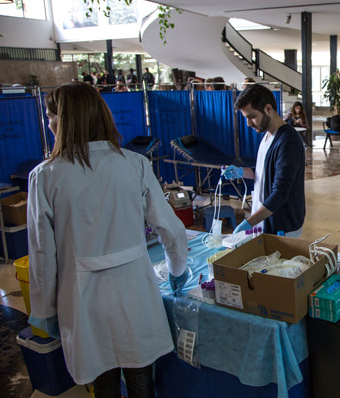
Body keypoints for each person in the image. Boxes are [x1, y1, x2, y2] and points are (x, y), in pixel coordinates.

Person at [27, 82, 188, 397]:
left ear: (65, 120)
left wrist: (44, 311)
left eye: (50, 116)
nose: (49, 124)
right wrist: (177, 270)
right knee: (141, 379)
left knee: (103, 382)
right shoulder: (134, 164)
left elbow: (43, 255)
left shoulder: (46, 176)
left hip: (83, 302)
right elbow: (172, 229)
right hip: (135, 296)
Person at [223, 84, 305, 237]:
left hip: (282, 227)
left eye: (252, 117)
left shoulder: (288, 141)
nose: (248, 123)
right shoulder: (268, 136)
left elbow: (280, 193)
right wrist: (241, 172)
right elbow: (264, 173)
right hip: (265, 220)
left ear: (268, 109)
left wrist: (249, 222)